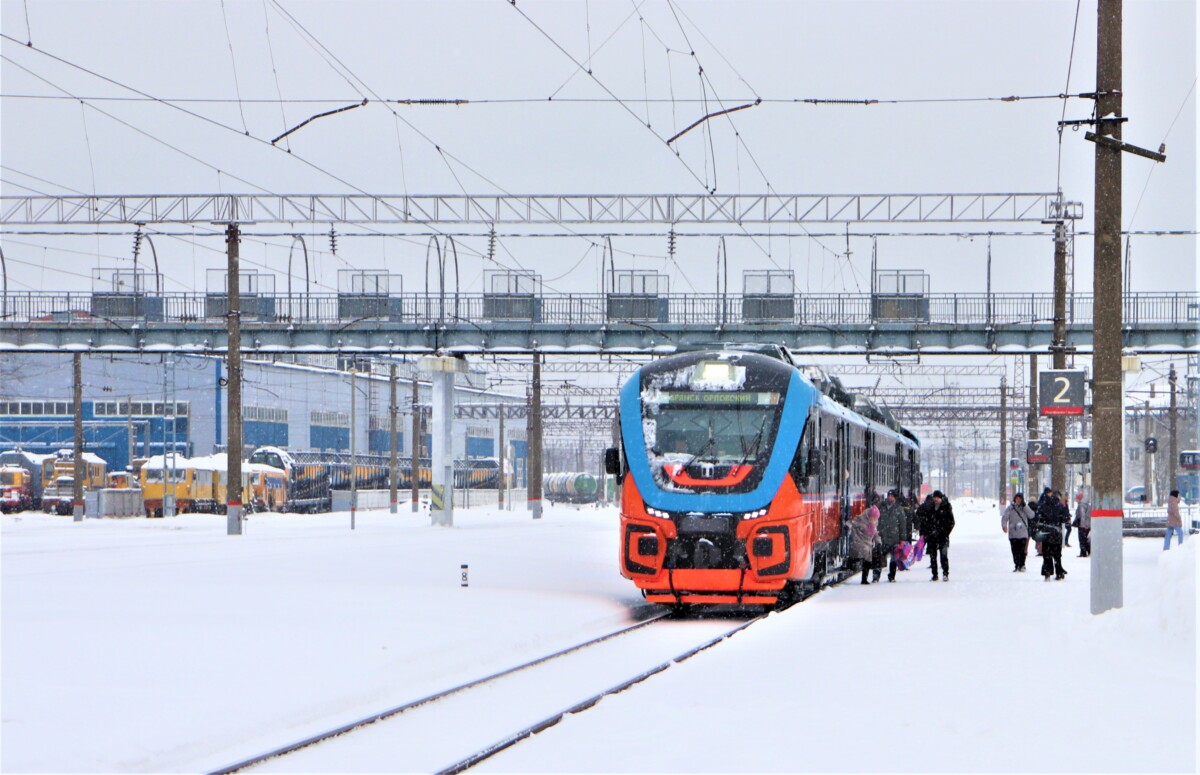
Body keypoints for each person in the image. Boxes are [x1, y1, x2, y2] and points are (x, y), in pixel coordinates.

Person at [1034, 491, 1069, 580]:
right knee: (1057, 555)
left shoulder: (1043, 506)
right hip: (1057, 533)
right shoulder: (1059, 506)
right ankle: (1059, 572)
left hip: (1046, 533)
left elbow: (1037, 517)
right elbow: (1065, 518)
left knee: (1047, 554)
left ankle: (1047, 572)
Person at [921, 490, 955, 581]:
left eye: (937, 497)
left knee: (943, 556)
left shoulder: (946, 507)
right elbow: (926, 521)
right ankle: (934, 575)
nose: (935, 499)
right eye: (934, 497)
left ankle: (945, 573)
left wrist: (945, 532)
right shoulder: (930, 508)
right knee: (933, 557)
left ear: (940, 498)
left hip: (943, 536)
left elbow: (951, 522)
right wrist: (927, 532)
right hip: (932, 536)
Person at [877, 489, 907, 582]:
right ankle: (876, 576)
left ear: (895, 498)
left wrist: (902, 539)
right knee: (879, 558)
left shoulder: (899, 509)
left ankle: (891, 576)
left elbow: (902, 525)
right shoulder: (881, 507)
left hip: (895, 538)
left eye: (892, 496)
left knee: (893, 559)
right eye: (889, 496)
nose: (890, 497)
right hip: (882, 537)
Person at [850, 498, 882, 584]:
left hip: (868, 543)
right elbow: (852, 523)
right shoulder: (861, 519)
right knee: (867, 553)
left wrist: (879, 542)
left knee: (870, 556)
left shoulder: (874, 523)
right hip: (859, 541)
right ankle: (864, 578)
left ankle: (865, 578)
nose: (873, 520)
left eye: (875, 518)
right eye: (873, 517)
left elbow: (875, 534)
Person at [1001, 493, 1034, 572]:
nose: (1018, 500)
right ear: (1014, 499)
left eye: (1020, 498)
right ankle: (1017, 565)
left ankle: (1022, 564)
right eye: (1017, 498)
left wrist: (1025, 506)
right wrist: (1004, 526)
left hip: (1023, 533)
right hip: (1013, 533)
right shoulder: (1010, 508)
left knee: (1022, 550)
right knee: (1015, 550)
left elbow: (1032, 515)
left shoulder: (1025, 508)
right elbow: (1005, 517)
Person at [1075, 493, 1092, 557]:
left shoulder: (1081, 505)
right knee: (1085, 539)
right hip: (1088, 524)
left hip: (1083, 525)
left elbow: (1082, 516)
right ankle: (1087, 551)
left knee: (1082, 539)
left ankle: (1083, 552)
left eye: (1076, 498)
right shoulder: (1087, 504)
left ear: (1079, 498)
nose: (1076, 500)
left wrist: (1083, 525)